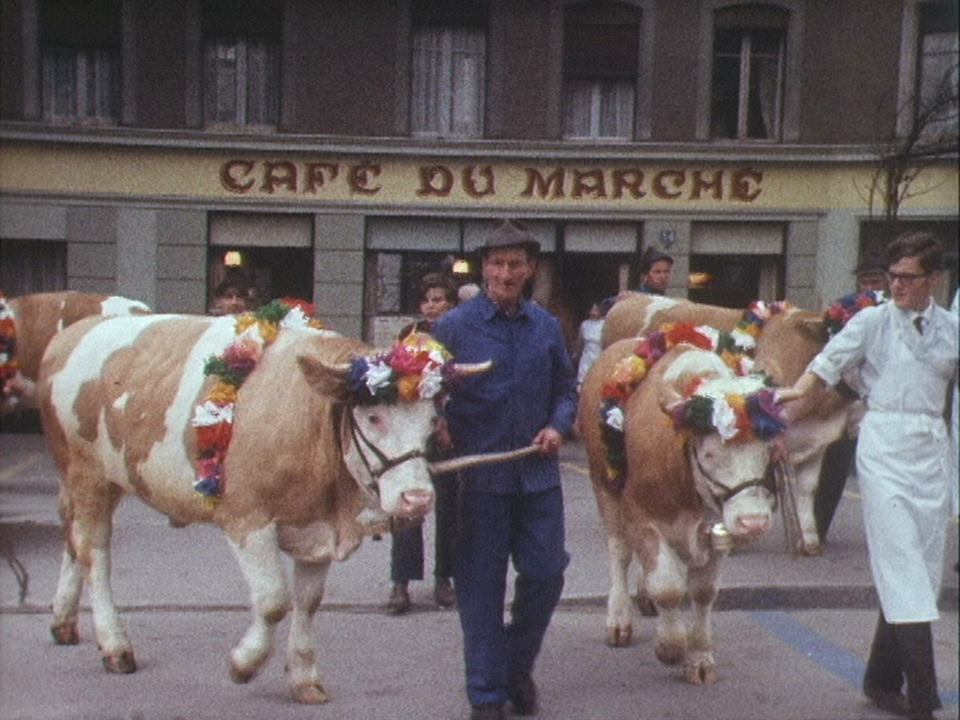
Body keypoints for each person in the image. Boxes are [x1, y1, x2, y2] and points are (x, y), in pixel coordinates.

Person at [776, 232, 958, 720]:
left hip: (930, 449)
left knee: (922, 569)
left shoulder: (951, 329)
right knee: (901, 561)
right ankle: (924, 698)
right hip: (883, 444)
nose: (896, 285)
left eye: (908, 277)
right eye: (892, 276)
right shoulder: (872, 321)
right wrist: (788, 404)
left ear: (934, 279)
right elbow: (825, 365)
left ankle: (880, 679)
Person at [431, 219, 578, 720]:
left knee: (547, 572)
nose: (505, 272)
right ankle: (487, 696)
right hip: (480, 480)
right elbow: (426, 393)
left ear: (530, 268)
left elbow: (565, 388)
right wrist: (440, 424)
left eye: (516, 263)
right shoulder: (452, 327)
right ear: (483, 267)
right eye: (496, 263)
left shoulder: (545, 326)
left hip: (538, 475)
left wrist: (559, 424)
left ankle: (515, 665)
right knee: (479, 589)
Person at [388, 272, 460, 614]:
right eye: (428, 300)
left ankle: (444, 578)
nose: (433, 306)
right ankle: (400, 583)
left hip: (448, 433)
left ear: (451, 304)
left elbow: (462, 386)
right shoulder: (408, 338)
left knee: (449, 510)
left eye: (440, 300)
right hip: (413, 435)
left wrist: (449, 421)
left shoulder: (460, 335)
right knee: (407, 509)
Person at [814, 253, 891, 541]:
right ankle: (819, 528)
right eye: (865, 281)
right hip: (846, 397)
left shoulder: (893, 310)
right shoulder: (843, 309)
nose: (869, 286)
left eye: (875, 280)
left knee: (882, 474)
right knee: (834, 464)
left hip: (879, 401)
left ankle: (887, 531)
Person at [575, 302, 605, 389]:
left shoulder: (604, 324)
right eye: (592, 310)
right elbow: (580, 341)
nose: (593, 313)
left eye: (596, 310)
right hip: (586, 357)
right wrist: (577, 353)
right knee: (582, 383)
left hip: (598, 356)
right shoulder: (585, 324)